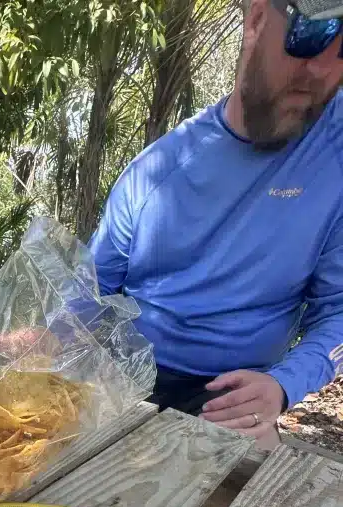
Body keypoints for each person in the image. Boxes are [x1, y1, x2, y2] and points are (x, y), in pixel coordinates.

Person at [87, 0, 343, 439]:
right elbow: (89, 292)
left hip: (235, 397)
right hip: (125, 375)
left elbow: (337, 310)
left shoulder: (335, 154)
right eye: (313, 34)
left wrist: (283, 385)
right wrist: (48, 336)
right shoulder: (156, 171)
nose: (322, 69)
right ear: (257, 19)